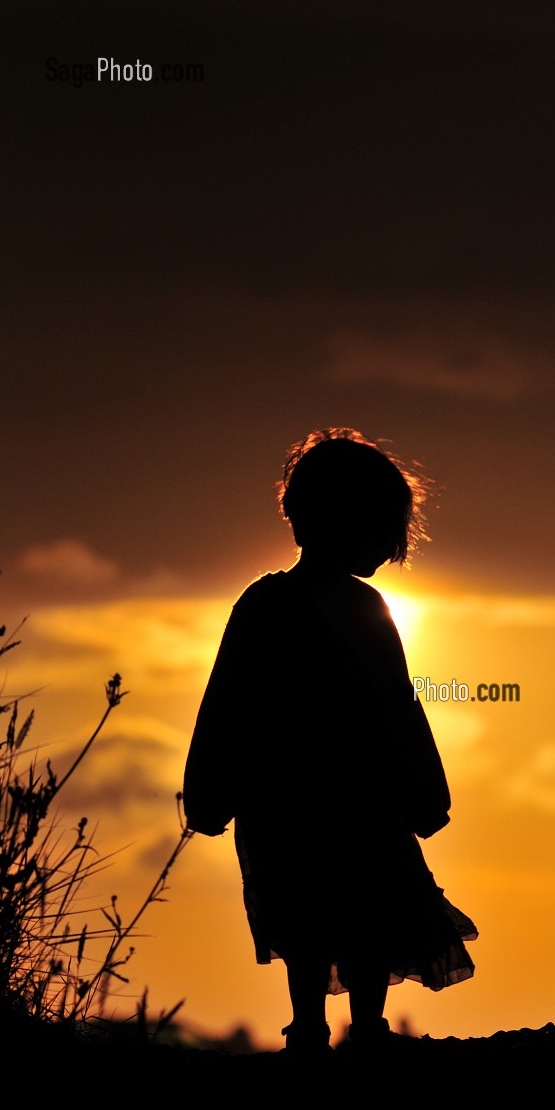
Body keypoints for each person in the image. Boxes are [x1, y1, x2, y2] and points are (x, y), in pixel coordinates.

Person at [183, 428, 476, 1054]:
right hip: (357, 804)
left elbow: (224, 706)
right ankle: (359, 1029)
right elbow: (400, 711)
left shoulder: (265, 603)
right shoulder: (354, 609)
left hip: (286, 806)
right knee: (362, 913)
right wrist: (425, 791)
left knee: (306, 914)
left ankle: (315, 1030)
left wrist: (209, 791)